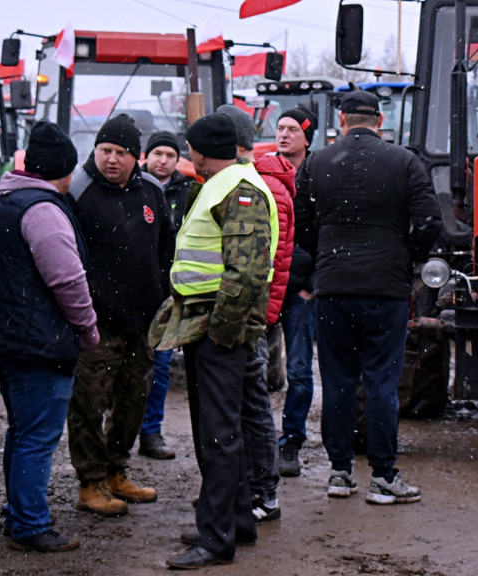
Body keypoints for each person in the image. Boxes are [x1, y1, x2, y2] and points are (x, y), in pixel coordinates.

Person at [295, 90, 442, 504]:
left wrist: (327, 254)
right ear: (379, 120)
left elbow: (301, 221)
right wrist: (405, 258)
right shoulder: (403, 161)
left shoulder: (318, 161)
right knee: (381, 381)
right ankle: (383, 476)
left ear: (342, 121)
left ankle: (340, 473)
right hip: (385, 288)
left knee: (338, 381)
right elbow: (430, 220)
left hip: (333, 286)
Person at [0, 120, 96, 552]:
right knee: (36, 436)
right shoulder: (44, 211)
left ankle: (18, 514)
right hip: (38, 344)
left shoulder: (6, 200)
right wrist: (88, 330)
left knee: (20, 431)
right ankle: (30, 526)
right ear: (65, 170)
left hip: (6, 338)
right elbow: (68, 280)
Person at [149, 113, 277, 569]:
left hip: (217, 328)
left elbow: (245, 272)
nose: (187, 155)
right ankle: (235, 521)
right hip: (209, 324)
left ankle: (216, 538)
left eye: (191, 148)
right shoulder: (226, 185)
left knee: (218, 435)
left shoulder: (237, 189)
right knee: (225, 429)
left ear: (204, 151)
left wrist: (221, 331)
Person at [66, 114, 177, 516]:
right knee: (88, 405)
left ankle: (117, 472)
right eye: (105, 151)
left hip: (142, 322)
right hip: (96, 325)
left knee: (133, 402)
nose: (111, 160)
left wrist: (161, 294)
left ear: (137, 157)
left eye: (121, 153)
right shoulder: (78, 192)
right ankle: (90, 483)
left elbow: (167, 246)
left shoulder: (152, 192)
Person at [217, 103, 295, 522]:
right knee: (250, 403)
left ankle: (261, 492)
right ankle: (249, 488)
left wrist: (258, 312)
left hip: (253, 311)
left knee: (251, 404)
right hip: (260, 308)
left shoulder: (257, 187)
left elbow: (267, 258)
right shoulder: (263, 182)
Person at [138, 130, 192, 460]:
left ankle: (151, 432)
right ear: (146, 156)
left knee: (160, 366)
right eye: (158, 153)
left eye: (170, 155)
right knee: (126, 367)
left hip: (170, 293)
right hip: (135, 291)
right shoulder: (135, 190)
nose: (163, 160)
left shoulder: (188, 192)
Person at [275, 107, 319, 477]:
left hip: (299, 291)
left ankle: (291, 441)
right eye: (280, 128)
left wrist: (313, 284)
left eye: (292, 129)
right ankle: (250, 442)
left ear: (308, 137)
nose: (284, 134)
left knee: (300, 371)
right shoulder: (262, 174)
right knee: (247, 368)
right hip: (264, 287)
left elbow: (331, 235)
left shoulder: (320, 177)